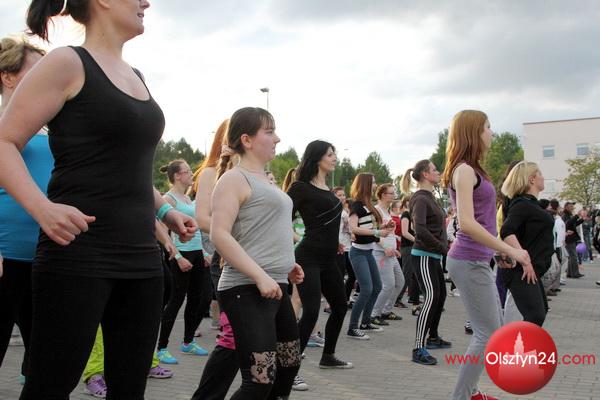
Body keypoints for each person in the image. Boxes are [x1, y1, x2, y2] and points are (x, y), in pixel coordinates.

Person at [0, 2, 196, 397]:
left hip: (141, 258)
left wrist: (164, 210)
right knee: (50, 386)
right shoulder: (66, 63)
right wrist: (42, 208)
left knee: (129, 388)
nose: (146, 3)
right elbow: (4, 141)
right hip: (79, 253)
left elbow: (127, 167)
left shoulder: (136, 76)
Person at [210, 107, 304, 399]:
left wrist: (286, 264)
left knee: (289, 365)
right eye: (270, 131)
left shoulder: (266, 179)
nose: (277, 138)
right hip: (246, 288)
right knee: (260, 380)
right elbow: (219, 234)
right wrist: (261, 275)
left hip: (276, 284)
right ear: (247, 140)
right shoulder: (234, 179)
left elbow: (265, 229)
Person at [441, 110, 532, 400]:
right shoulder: (464, 170)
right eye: (488, 127)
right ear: (473, 132)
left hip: (477, 259)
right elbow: (467, 223)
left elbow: (483, 220)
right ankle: (463, 396)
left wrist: (496, 251)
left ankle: (470, 392)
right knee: (488, 335)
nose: (492, 132)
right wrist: (509, 249)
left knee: (492, 331)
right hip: (467, 260)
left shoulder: (473, 170)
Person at [0, 36, 47, 383]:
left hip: (47, 261)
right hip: (5, 262)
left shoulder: (52, 129)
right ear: (8, 76)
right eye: (37, 70)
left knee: (44, 361)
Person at [286, 140, 352, 371]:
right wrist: (295, 240)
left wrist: (334, 242)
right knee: (311, 312)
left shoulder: (327, 189)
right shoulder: (300, 187)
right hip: (308, 257)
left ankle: (328, 356)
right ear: (317, 157)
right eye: (330, 154)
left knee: (340, 307)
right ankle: (289, 368)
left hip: (329, 259)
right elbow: (281, 219)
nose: (334, 158)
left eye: (334, 154)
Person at [156, 159, 210, 364]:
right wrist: (177, 256)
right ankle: (162, 348)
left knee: (199, 298)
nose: (192, 175)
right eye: (188, 171)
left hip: (197, 253)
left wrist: (204, 252)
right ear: (177, 176)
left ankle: (188, 341)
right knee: (176, 301)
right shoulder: (168, 199)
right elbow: (163, 232)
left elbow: (195, 229)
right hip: (181, 256)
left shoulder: (188, 199)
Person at [401, 160, 450, 365]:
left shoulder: (430, 197)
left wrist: (445, 245)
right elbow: (419, 229)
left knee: (440, 296)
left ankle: (433, 337)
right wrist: (442, 247)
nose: (438, 172)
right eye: (434, 170)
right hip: (423, 255)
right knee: (430, 298)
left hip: (434, 256)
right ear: (425, 175)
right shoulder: (420, 198)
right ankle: (418, 348)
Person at [499, 161, 554, 326]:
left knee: (540, 313)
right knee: (535, 316)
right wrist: (525, 260)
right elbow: (507, 231)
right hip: (521, 271)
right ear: (531, 179)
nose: (543, 177)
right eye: (540, 174)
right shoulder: (522, 204)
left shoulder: (529, 204)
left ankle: (523, 343)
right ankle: (514, 343)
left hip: (530, 270)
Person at [347, 173, 394, 339]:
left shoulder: (369, 206)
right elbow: (353, 228)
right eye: (373, 183)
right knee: (366, 289)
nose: (375, 185)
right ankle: (352, 327)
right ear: (365, 185)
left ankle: (365, 322)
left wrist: (383, 228)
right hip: (358, 252)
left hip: (368, 252)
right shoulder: (357, 205)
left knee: (377, 287)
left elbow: (370, 227)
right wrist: (377, 232)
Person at [371, 183, 404, 323]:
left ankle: (386, 310)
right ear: (383, 195)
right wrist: (385, 247)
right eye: (391, 193)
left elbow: (388, 233)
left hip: (391, 253)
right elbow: (374, 233)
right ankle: (374, 314)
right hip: (381, 253)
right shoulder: (376, 211)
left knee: (400, 282)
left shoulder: (388, 211)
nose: (394, 195)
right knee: (388, 284)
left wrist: (394, 248)